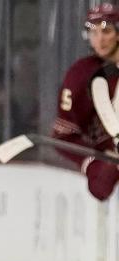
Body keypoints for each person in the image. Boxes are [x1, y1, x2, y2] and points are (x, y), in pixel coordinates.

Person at [53, 4, 119, 201]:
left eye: (106, 30)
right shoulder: (81, 75)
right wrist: (93, 164)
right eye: (93, 31)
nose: (99, 39)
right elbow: (63, 137)